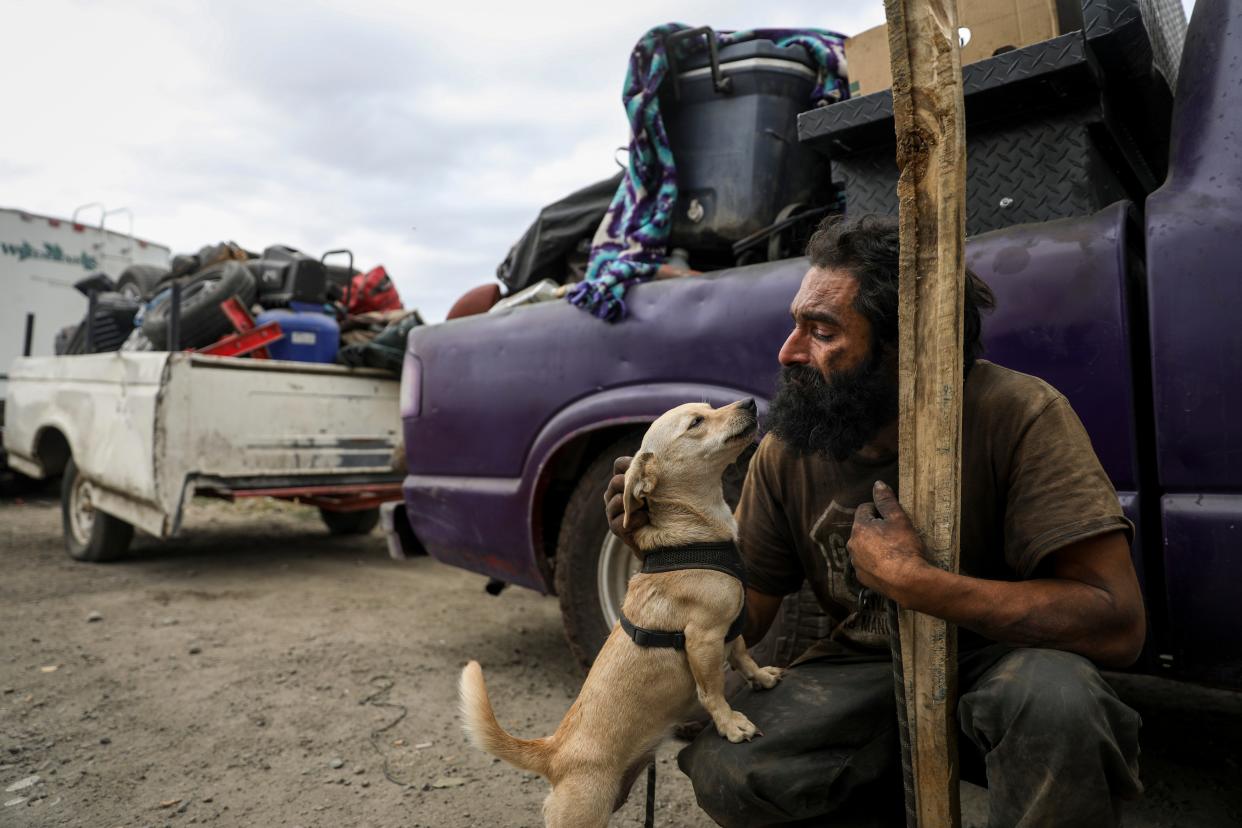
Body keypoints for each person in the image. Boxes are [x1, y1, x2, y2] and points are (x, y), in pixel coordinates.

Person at [604, 214, 1145, 827]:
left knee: (1059, 705)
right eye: (795, 325)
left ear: (906, 343)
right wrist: (674, 550)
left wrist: (924, 586)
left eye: (822, 330)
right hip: (865, 669)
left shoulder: (1019, 414)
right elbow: (744, 612)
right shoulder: (790, 448)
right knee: (734, 769)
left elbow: (1117, 623)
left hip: (1001, 661)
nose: (789, 351)